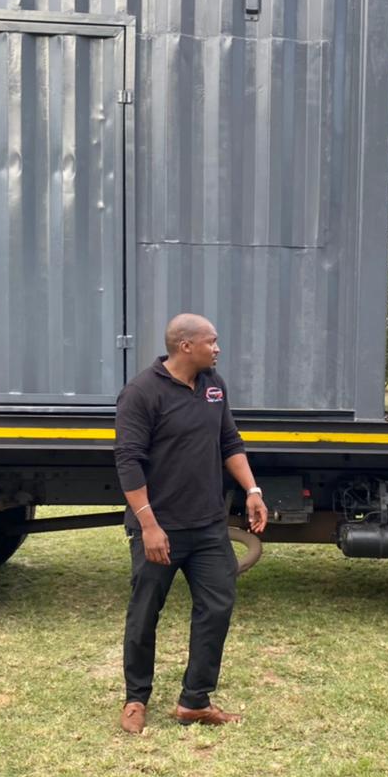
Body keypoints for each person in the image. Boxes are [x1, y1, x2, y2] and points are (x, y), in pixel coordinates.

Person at [113, 314, 268, 733]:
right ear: (185, 346)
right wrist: (148, 525)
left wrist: (252, 491)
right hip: (160, 528)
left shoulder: (213, 385)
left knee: (217, 606)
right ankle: (135, 698)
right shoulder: (141, 393)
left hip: (207, 527)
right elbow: (128, 462)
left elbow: (229, 441)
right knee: (145, 612)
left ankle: (194, 700)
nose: (217, 349)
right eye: (211, 342)